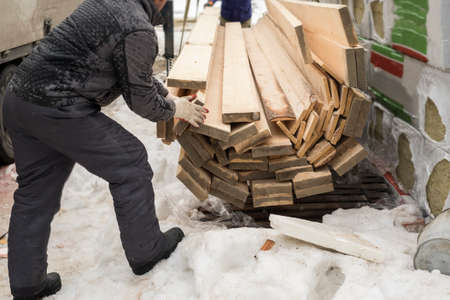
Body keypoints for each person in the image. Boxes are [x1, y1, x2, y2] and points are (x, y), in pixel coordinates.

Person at [4, 0, 207, 299]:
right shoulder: (138, 25)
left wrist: (167, 94)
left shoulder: (113, 5)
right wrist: (174, 109)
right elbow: (140, 99)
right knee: (131, 162)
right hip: (57, 106)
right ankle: (147, 251)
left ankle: (27, 284)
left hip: (20, 100)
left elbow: (132, 72)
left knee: (35, 195)